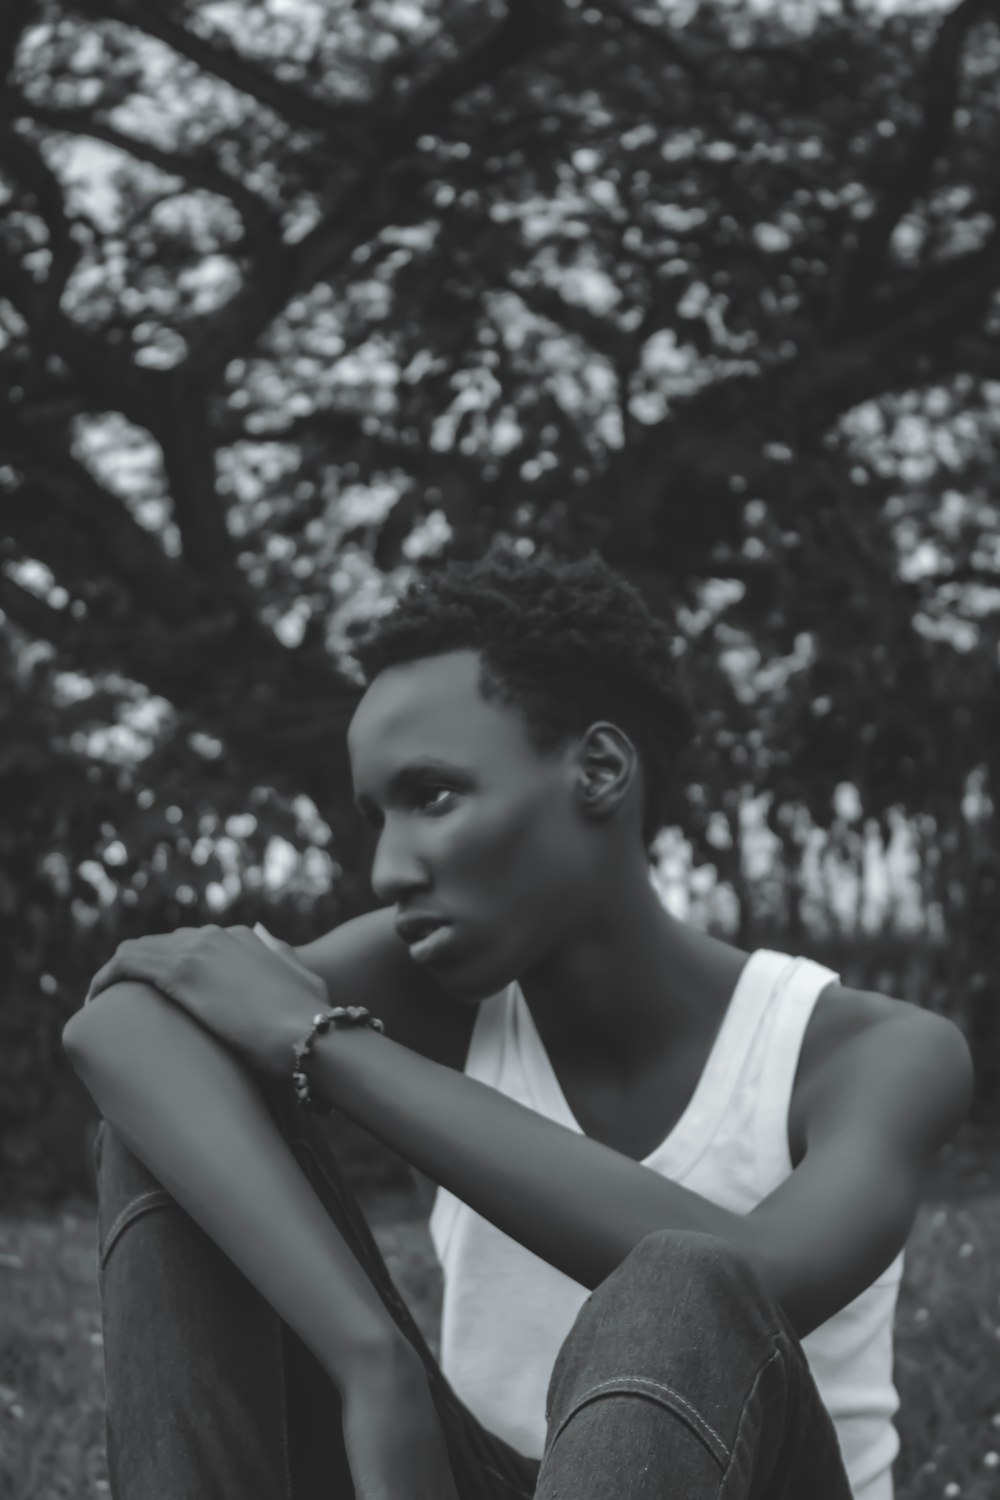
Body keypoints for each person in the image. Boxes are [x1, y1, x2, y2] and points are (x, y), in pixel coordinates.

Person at [64, 546, 973, 1500]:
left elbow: (760, 1282)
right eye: (377, 815)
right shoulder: (430, 980)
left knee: (679, 1284)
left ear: (599, 770)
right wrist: (373, 1365)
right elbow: (123, 1027)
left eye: (434, 796)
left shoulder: (875, 1051)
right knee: (165, 1132)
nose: (390, 870)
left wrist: (323, 1044)